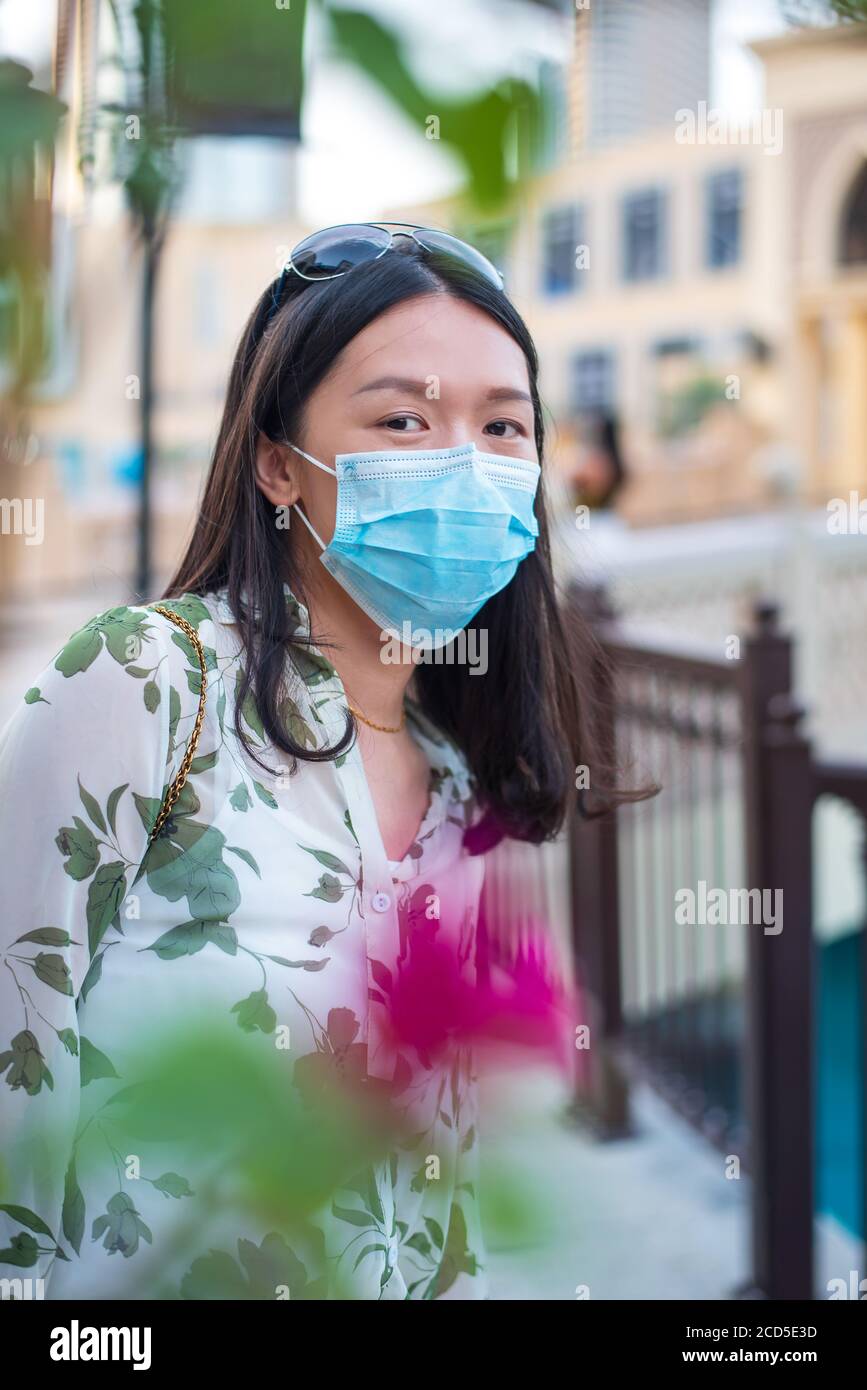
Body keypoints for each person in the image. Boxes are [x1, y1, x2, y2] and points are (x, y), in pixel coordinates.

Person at [0, 222, 616, 1301]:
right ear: (281, 463)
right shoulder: (146, 685)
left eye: (503, 425)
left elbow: (448, 1191)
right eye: (404, 419)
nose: (465, 463)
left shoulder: (465, 789)